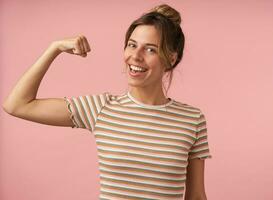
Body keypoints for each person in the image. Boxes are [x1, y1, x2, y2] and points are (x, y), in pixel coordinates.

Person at [2, 4, 212, 200]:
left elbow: (196, 197)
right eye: (132, 45)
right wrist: (54, 48)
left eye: (150, 49)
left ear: (171, 58)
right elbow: (17, 105)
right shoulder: (101, 108)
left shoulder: (192, 119)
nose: (135, 56)